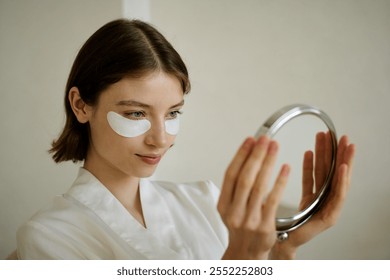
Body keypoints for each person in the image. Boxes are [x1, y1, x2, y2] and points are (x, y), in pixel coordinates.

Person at [16, 19, 355, 260]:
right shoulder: (49, 237)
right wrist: (240, 258)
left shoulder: (205, 201)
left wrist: (284, 249)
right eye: (137, 114)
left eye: (173, 113)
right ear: (81, 105)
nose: (160, 139)